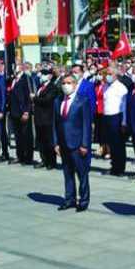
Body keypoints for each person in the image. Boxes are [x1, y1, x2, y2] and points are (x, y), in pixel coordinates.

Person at [51, 72, 93, 212]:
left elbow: (87, 125)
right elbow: (55, 124)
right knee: (67, 173)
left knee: (82, 174)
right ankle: (69, 199)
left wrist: (85, 144)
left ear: (75, 85)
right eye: (63, 83)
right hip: (63, 144)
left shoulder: (83, 101)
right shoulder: (57, 101)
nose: (66, 86)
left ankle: (84, 200)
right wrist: (56, 143)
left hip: (77, 144)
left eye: (69, 83)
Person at [99, 67, 129, 175]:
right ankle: (114, 166)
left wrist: (124, 122)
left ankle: (120, 168)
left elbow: (124, 106)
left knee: (118, 144)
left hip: (117, 117)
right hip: (107, 116)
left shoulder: (121, 88)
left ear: (116, 75)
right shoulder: (106, 86)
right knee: (111, 144)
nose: (107, 75)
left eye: (110, 74)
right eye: (107, 73)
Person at [8, 63, 35, 166]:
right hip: (14, 112)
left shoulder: (26, 79)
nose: (15, 68)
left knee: (26, 136)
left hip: (23, 112)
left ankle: (28, 158)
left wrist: (27, 111)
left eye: (17, 66)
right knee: (18, 136)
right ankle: (20, 156)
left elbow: (29, 97)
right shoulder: (14, 79)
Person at [33, 66, 59, 169]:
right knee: (41, 141)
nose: (42, 76)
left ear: (49, 76)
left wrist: (34, 98)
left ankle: (51, 162)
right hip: (39, 117)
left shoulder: (52, 87)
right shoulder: (40, 86)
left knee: (49, 141)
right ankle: (43, 160)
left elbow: (47, 101)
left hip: (47, 117)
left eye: (44, 74)